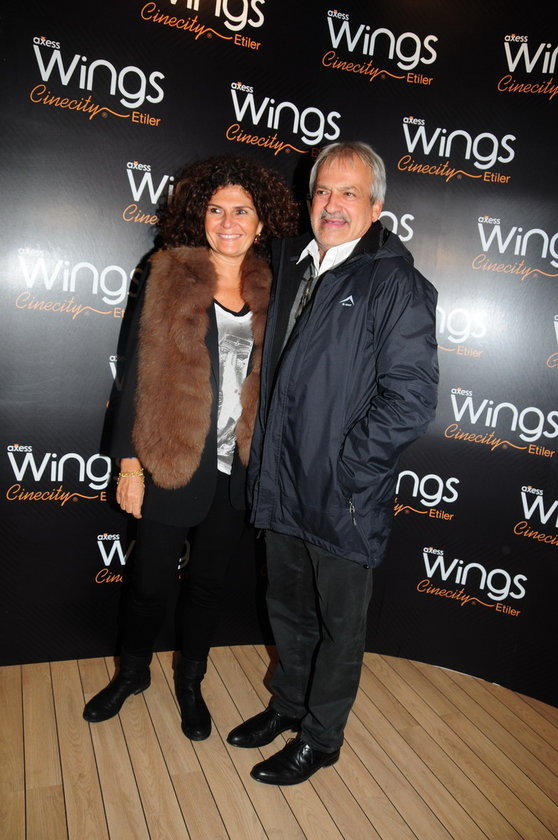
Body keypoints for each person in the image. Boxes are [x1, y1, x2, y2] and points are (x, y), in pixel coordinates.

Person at [227, 141, 439, 784]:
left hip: (342, 493)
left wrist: (348, 470)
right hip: (282, 480)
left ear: (376, 207)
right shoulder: (293, 262)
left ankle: (321, 738)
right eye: (323, 191)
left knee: (339, 624)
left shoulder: (396, 283)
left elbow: (411, 400)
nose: (332, 204)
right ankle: (288, 705)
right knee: (288, 609)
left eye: (349, 193)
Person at [83, 155, 298, 740]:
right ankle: (133, 673)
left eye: (242, 211)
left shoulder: (274, 285)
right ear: (199, 215)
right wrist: (130, 466)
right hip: (172, 459)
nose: (228, 222)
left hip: (239, 468)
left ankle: (190, 682)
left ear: (261, 221)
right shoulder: (169, 272)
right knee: (149, 581)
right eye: (216, 209)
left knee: (208, 584)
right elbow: (136, 369)